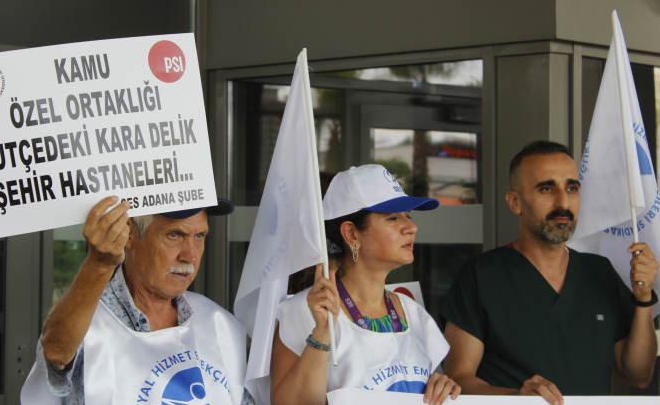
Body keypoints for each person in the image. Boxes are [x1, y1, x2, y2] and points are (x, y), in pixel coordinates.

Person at [441, 140, 659, 403]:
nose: (563, 202)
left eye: (572, 188)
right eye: (547, 189)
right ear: (515, 202)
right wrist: (517, 398)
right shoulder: (480, 277)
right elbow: (457, 378)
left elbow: (639, 375)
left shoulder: (600, 273)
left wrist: (643, 298)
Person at [23, 196, 249, 405]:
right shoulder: (86, 320)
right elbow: (55, 352)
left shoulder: (221, 323)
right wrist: (99, 264)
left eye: (199, 236)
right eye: (174, 235)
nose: (190, 255)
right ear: (129, 233)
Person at [270, 164, 461, 405]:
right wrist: (322, 334)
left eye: (408, 216)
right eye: (393, 217)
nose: (411, 227)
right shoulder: (302, 312)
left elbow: (431, 391)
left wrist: (442, 386)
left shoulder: (414, 313)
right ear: (351, 234)